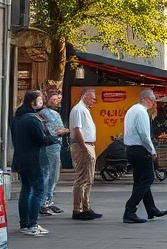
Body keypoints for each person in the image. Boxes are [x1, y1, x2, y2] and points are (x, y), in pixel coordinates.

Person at [11, 89, 61, 236]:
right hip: (33, 158)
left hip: (20, 158)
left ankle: (24, 223)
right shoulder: (32, 118)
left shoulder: (18, 118)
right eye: (39, 100)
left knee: (26, 189)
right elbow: (41, 139)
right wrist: (55, 137)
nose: (41, 102)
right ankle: (32, 224)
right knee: (38, 189)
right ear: (32, 102)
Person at [122, 88, 167, 223]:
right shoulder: (142, 112)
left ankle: (151, 208)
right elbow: (144, 135)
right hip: (141, 150)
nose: (153, 103)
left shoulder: (132, 110)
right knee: (148, 178)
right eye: (152, 99)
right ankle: (130, 209)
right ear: (145, 99)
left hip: (131, 149)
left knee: (140, 180)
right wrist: (152, 151)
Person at [68, 88, 102, 220]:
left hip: (89, 145)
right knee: (82, 178)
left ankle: (86, 206)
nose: (93, 101)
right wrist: (84, 148)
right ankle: (78, 209)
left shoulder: (84, 110)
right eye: (92, 98)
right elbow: (77, 130)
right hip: (83, 146)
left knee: (88, 178)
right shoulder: (78, 110)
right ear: (85, 96)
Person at [38, 86, 71, 215]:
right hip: (51, 147)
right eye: (54, 97)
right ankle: (44, 202)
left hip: (53, 146)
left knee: (51, 174)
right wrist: (67, 130)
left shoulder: (51, 113)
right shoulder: (47, 113)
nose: (57, 100)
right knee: (50, 174)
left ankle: (47, 201)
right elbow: (56, 131)